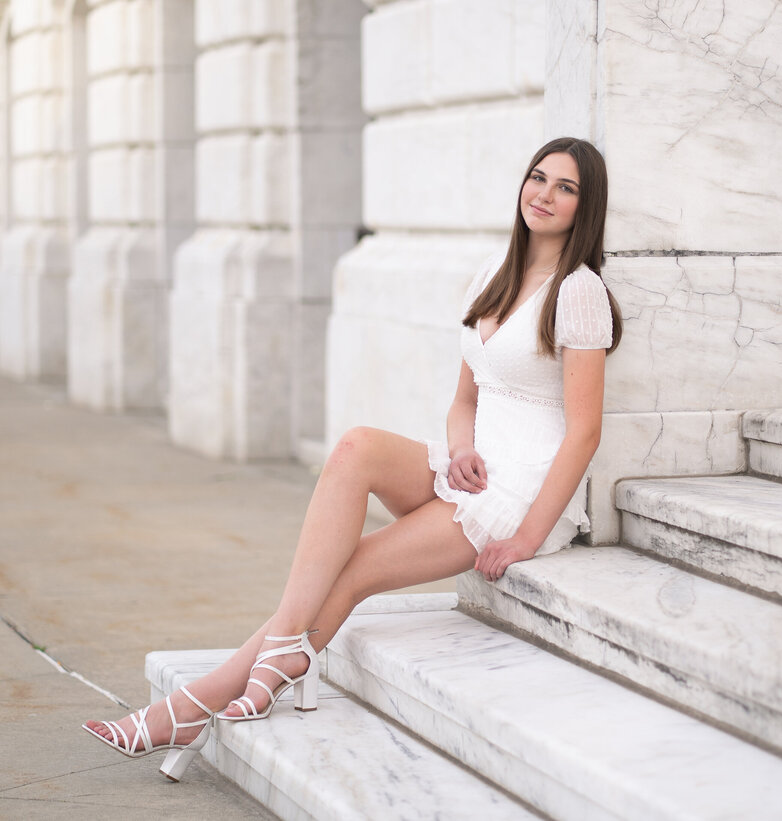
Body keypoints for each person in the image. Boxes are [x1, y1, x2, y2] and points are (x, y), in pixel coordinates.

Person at [82, 137, 622, 780]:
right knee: (355, 447)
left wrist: (528, 536)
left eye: (566, 187)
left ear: (584, 208)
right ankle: (277, 658)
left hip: (519, 493)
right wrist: (460, 448)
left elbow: (584, 433)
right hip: (473, 467)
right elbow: (462, 401)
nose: (544, 194)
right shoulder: (493, 273)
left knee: (354, 564)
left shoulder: (579, 292)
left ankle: (193, 704)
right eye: (539, 178)